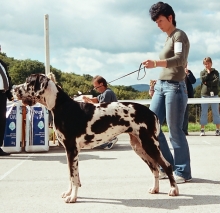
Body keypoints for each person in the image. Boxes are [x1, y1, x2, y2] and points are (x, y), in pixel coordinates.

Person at [142, 2, 192, 183]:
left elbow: (179, 60)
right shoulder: (168, 37)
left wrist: (155, 63)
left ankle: (183, 172)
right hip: (161, 86)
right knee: (152, 127)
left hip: (175, 87)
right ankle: (168, 166)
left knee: (175, 131)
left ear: (170, 18)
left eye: (160, 20)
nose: (158, 24)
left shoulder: (179, 36)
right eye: (156, 21)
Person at [82, 75, 118, 150]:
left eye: (96, 87)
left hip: (108, 118)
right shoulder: (104, 93)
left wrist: (89, 102)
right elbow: (97, 99)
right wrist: (88, 99)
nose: (95, 89)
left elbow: (101, 108)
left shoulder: (107, 93)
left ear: (101, 84)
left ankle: (110, 139)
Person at [200, 57, 220, 136]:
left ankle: (218, 129)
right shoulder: (202, 72)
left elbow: (216, 81)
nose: (207, 65)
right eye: (205, 64)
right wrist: (208, 74)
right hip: (204, 95)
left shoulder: (216, 72)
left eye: (208, 63)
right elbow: (202, 79)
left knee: (216, 112)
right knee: (203, 112)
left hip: (214, 94)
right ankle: (202, 129)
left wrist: (207, 82)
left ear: (211, 63)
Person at [0, 59, 14, 156]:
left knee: (1, 121)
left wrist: (9, 94)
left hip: (2, 95)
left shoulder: (2, 63)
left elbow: (7, 79)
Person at [182, 63, 196, 135]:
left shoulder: (189, 72)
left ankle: (184, 130)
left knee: (185, 114)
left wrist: (188, 74)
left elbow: (193, 81)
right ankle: (179, 130)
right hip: (178, 94)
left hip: (187, 95)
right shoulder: (177, 72)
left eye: (185, 64)